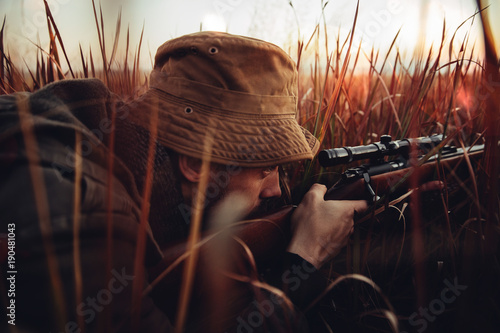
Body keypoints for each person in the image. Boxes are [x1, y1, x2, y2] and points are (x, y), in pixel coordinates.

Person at [0, 31, 367, 332]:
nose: (275, 190)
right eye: (265, 169)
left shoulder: (89, 145)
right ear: (195, 163)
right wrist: (303, 264)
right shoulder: (84, 214)